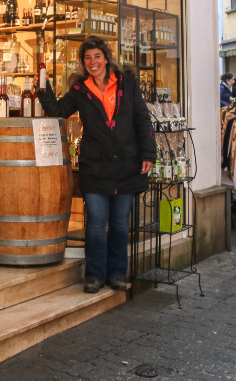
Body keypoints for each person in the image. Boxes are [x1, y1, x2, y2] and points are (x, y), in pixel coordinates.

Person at [37, 36, 156, 294]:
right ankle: (94, 276)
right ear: (83, 63)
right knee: (95, 225)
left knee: (120, 224)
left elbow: (142, 119)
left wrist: (148, 153)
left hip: (127, 164)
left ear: (106, 56)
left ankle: (116, 274)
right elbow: (59, 109)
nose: (93, 62)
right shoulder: (80, 89)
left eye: (97, 56)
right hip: (95, 165)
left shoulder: (127, 83)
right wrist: (43, 87)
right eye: (87, 58)